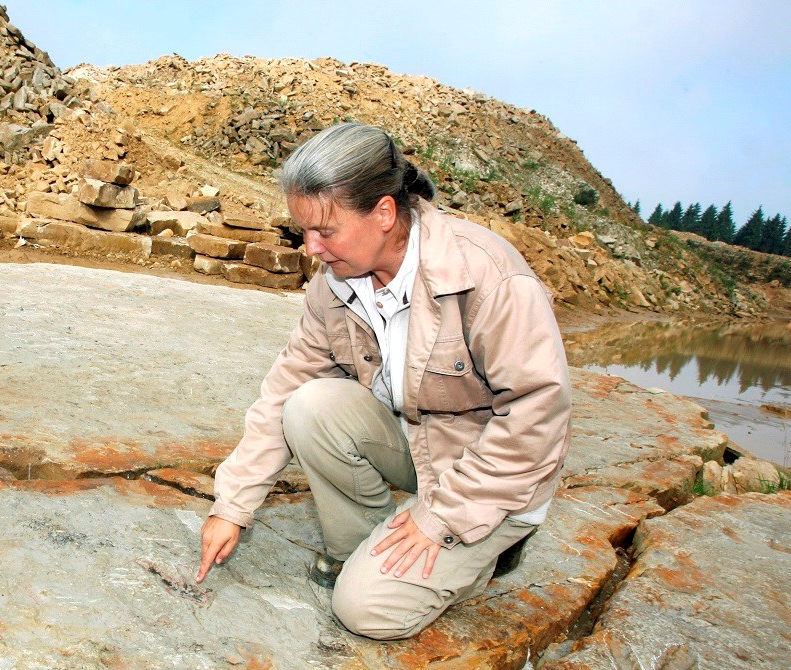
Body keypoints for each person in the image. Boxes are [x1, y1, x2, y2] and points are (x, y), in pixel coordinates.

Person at [195, 122, 572, 640]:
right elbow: (285, 387)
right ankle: (363, 553)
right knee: (308, 406)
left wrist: (439, 519)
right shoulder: (335, 284)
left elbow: (538, 416)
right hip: (418, 449)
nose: (311, 249)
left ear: (385, 214)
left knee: (365, 612)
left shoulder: (488, 276)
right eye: (303, 231)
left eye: (325, 231)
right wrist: (232, 505)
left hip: (491, 481)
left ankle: (487, 549)